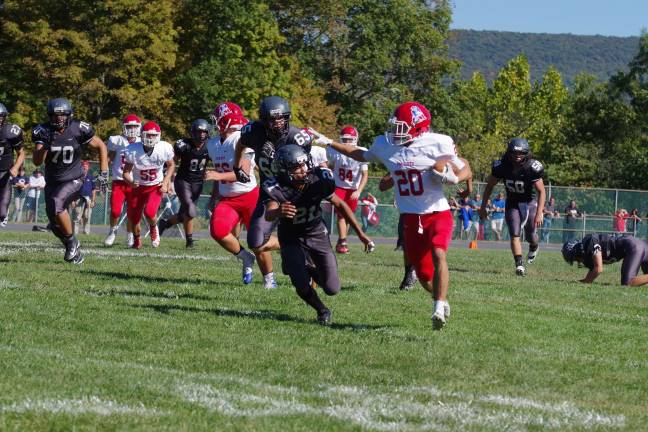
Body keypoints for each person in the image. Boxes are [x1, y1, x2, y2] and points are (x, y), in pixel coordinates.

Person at [310, 101, 472, 330]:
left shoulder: (438, 142)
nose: (397, 132)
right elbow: (360, 154)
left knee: (439, 252)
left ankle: (437, 306)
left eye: (402, 127)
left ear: (418, 126)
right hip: (409, 216)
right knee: (425, 275)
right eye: (396, 126)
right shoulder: (386, 145)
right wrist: (329, 142)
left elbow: (466, 167)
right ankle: (440, 297)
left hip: (438, 211)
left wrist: (455, 178)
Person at [264, 144, 374, 325]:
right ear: (284, 170)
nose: (303, 170)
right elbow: (269, 213)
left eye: (304, 165)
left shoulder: (318, 179)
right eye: (296, 167)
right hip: (291, 236)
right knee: (300, 282)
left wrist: (361, 234)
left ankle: (300, 266)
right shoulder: (275, 185)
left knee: (332, 288)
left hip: (316, 233)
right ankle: (322, 310)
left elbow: (340, 204)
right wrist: (278, 212)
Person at [233, 96, 315, 289]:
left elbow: (305, 171)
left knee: (307, 241)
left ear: (287, 117)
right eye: (272, 119)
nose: (277, 123)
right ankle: (279, 265)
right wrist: (237, 167)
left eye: (281, 118)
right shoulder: (253, 131)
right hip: (269, 193)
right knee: (255, 241)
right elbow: (240, 144)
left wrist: (279, 158)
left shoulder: (297, 137)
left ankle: (308, 274)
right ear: (263, 120)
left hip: (294, 194)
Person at [32, 98, 109, 264]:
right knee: (54, 223)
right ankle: (73, 248)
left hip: (74, 178)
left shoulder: (78, 128)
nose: (59, 119)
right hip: (53, 181)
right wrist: (45, 146)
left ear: (69, 115)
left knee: (57, 203)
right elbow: (37, 161)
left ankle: (73, 242)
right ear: (49, 116)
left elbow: (101, 145)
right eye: (55, 115)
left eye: (62, 115)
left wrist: (104, 172)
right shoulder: (43, 131)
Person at [205, 102, 264, 285]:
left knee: (260, 242)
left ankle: (269, 278)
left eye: (217, 120)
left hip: (249, 196)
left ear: (227, 120)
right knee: (218, 230)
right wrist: (214, 197)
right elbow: (219, 174)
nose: (214, 125)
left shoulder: (241, 138)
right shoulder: (213, 143)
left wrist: (217, 175)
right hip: (227, 198)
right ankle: (245, 257)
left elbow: (244, 174)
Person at [479, 137, 546, 277]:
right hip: (513, 202)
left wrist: (540, 212)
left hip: (529, 202)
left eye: (521, 153)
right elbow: (489, 186)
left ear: (526, 153)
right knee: (514, 233)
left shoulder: (531, 167)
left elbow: (541, 191)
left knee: (530, 233)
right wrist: (483, 206)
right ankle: (519, 264)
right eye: (515, 153)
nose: (517, 156)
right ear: (509, 152)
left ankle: (534, 246)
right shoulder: (501, 166)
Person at [157, 119, 211, 248]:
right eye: (199, 131)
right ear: (193, 132)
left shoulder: (210, 146)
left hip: (198, 183)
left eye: (204, 132)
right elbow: (172, 163)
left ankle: (165, 224)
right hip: (183, 181)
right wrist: (168, 180)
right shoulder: (183, 145)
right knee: (191, 211)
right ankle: (190, 241)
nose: (202, 134)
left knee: (183, 215)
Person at [122, 121, 175, 249]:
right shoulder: (133, 149)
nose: (151, 138)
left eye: (153, 135)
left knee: (150, 212)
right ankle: (137, 240)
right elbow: (126, 172)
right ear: (142, 135)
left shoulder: (164, 148)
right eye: (148, 135)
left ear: (158, 136)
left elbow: (171, 165)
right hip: (138, 187)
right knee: (134, 218)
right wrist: (130, 181)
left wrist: (166, 182)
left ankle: (153, 228)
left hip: (155, 186)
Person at [326, 125, 369, 254]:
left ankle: (341, 240)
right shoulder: (335, 151)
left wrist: (359, 191)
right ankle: (343, 241)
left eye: (350, 140)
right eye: (344, 139)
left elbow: (365, 175)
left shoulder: (361, 151)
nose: (347, 142)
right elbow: (330, 166)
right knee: (341, 215)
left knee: (349, 216)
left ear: (355, 139)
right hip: (339, 186)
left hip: (352, 189)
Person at [104, 114, 141, 247]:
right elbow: (109, 157)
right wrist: (104, 172)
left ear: (139, 127)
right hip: (119, 180)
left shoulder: (142, 142)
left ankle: (130, 234)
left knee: (132, 211)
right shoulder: (117, 140)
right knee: (115, 211)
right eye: (129, 126)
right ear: (124, 127)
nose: (131, 129)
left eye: (134, 126)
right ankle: (112, 231)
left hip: (134, 182)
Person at [562, 233, 648, 286]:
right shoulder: (587, 250)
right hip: (639, 245)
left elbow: (598, 269)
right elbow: (593, 270)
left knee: (628, 283)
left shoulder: (590, 242)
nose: (578, 261)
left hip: (634, 247)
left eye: (576, 259)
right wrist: (585, 280)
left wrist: (586, 282)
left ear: (577, 251)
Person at [0, 102, 26, 226]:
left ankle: (3, 214)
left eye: (0, 116)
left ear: (4, 117)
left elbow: (22, 153)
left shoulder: (11, 131)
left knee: (2, 213)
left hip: (4, 172)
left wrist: (15, 167)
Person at [71, 161, 97, 235]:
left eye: (86, 166)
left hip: (88, 199)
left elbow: (94, 190)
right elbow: (73, 189)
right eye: (83, 166)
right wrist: (72, 200)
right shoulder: (76, 177)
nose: (84, 167)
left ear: (88, 168)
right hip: (78, 198)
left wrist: (93, 200)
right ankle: (74, 233)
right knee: (76, 216)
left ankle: (86, 232)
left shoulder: (91, 177)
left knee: (87, 216)